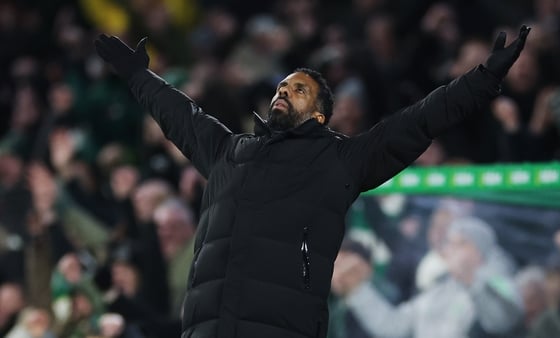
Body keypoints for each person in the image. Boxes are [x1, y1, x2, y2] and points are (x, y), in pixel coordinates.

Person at [94, 25, 530, 338]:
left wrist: (484, 79)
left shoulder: (339, 161)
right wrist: (138, 76)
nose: (282, 92)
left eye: (298, 89)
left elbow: (419, 121)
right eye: (281, 86)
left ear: (320, 114)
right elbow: (181, 117)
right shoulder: (230, 152)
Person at [331, 217, 523, 338]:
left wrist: (472, 280)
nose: (451, 249)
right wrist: (358, 291)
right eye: (450, 243)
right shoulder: (437, 290)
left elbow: (502, 321)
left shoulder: (500, 282)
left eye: (462, 243)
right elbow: (393, 327)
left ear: (481, 251)